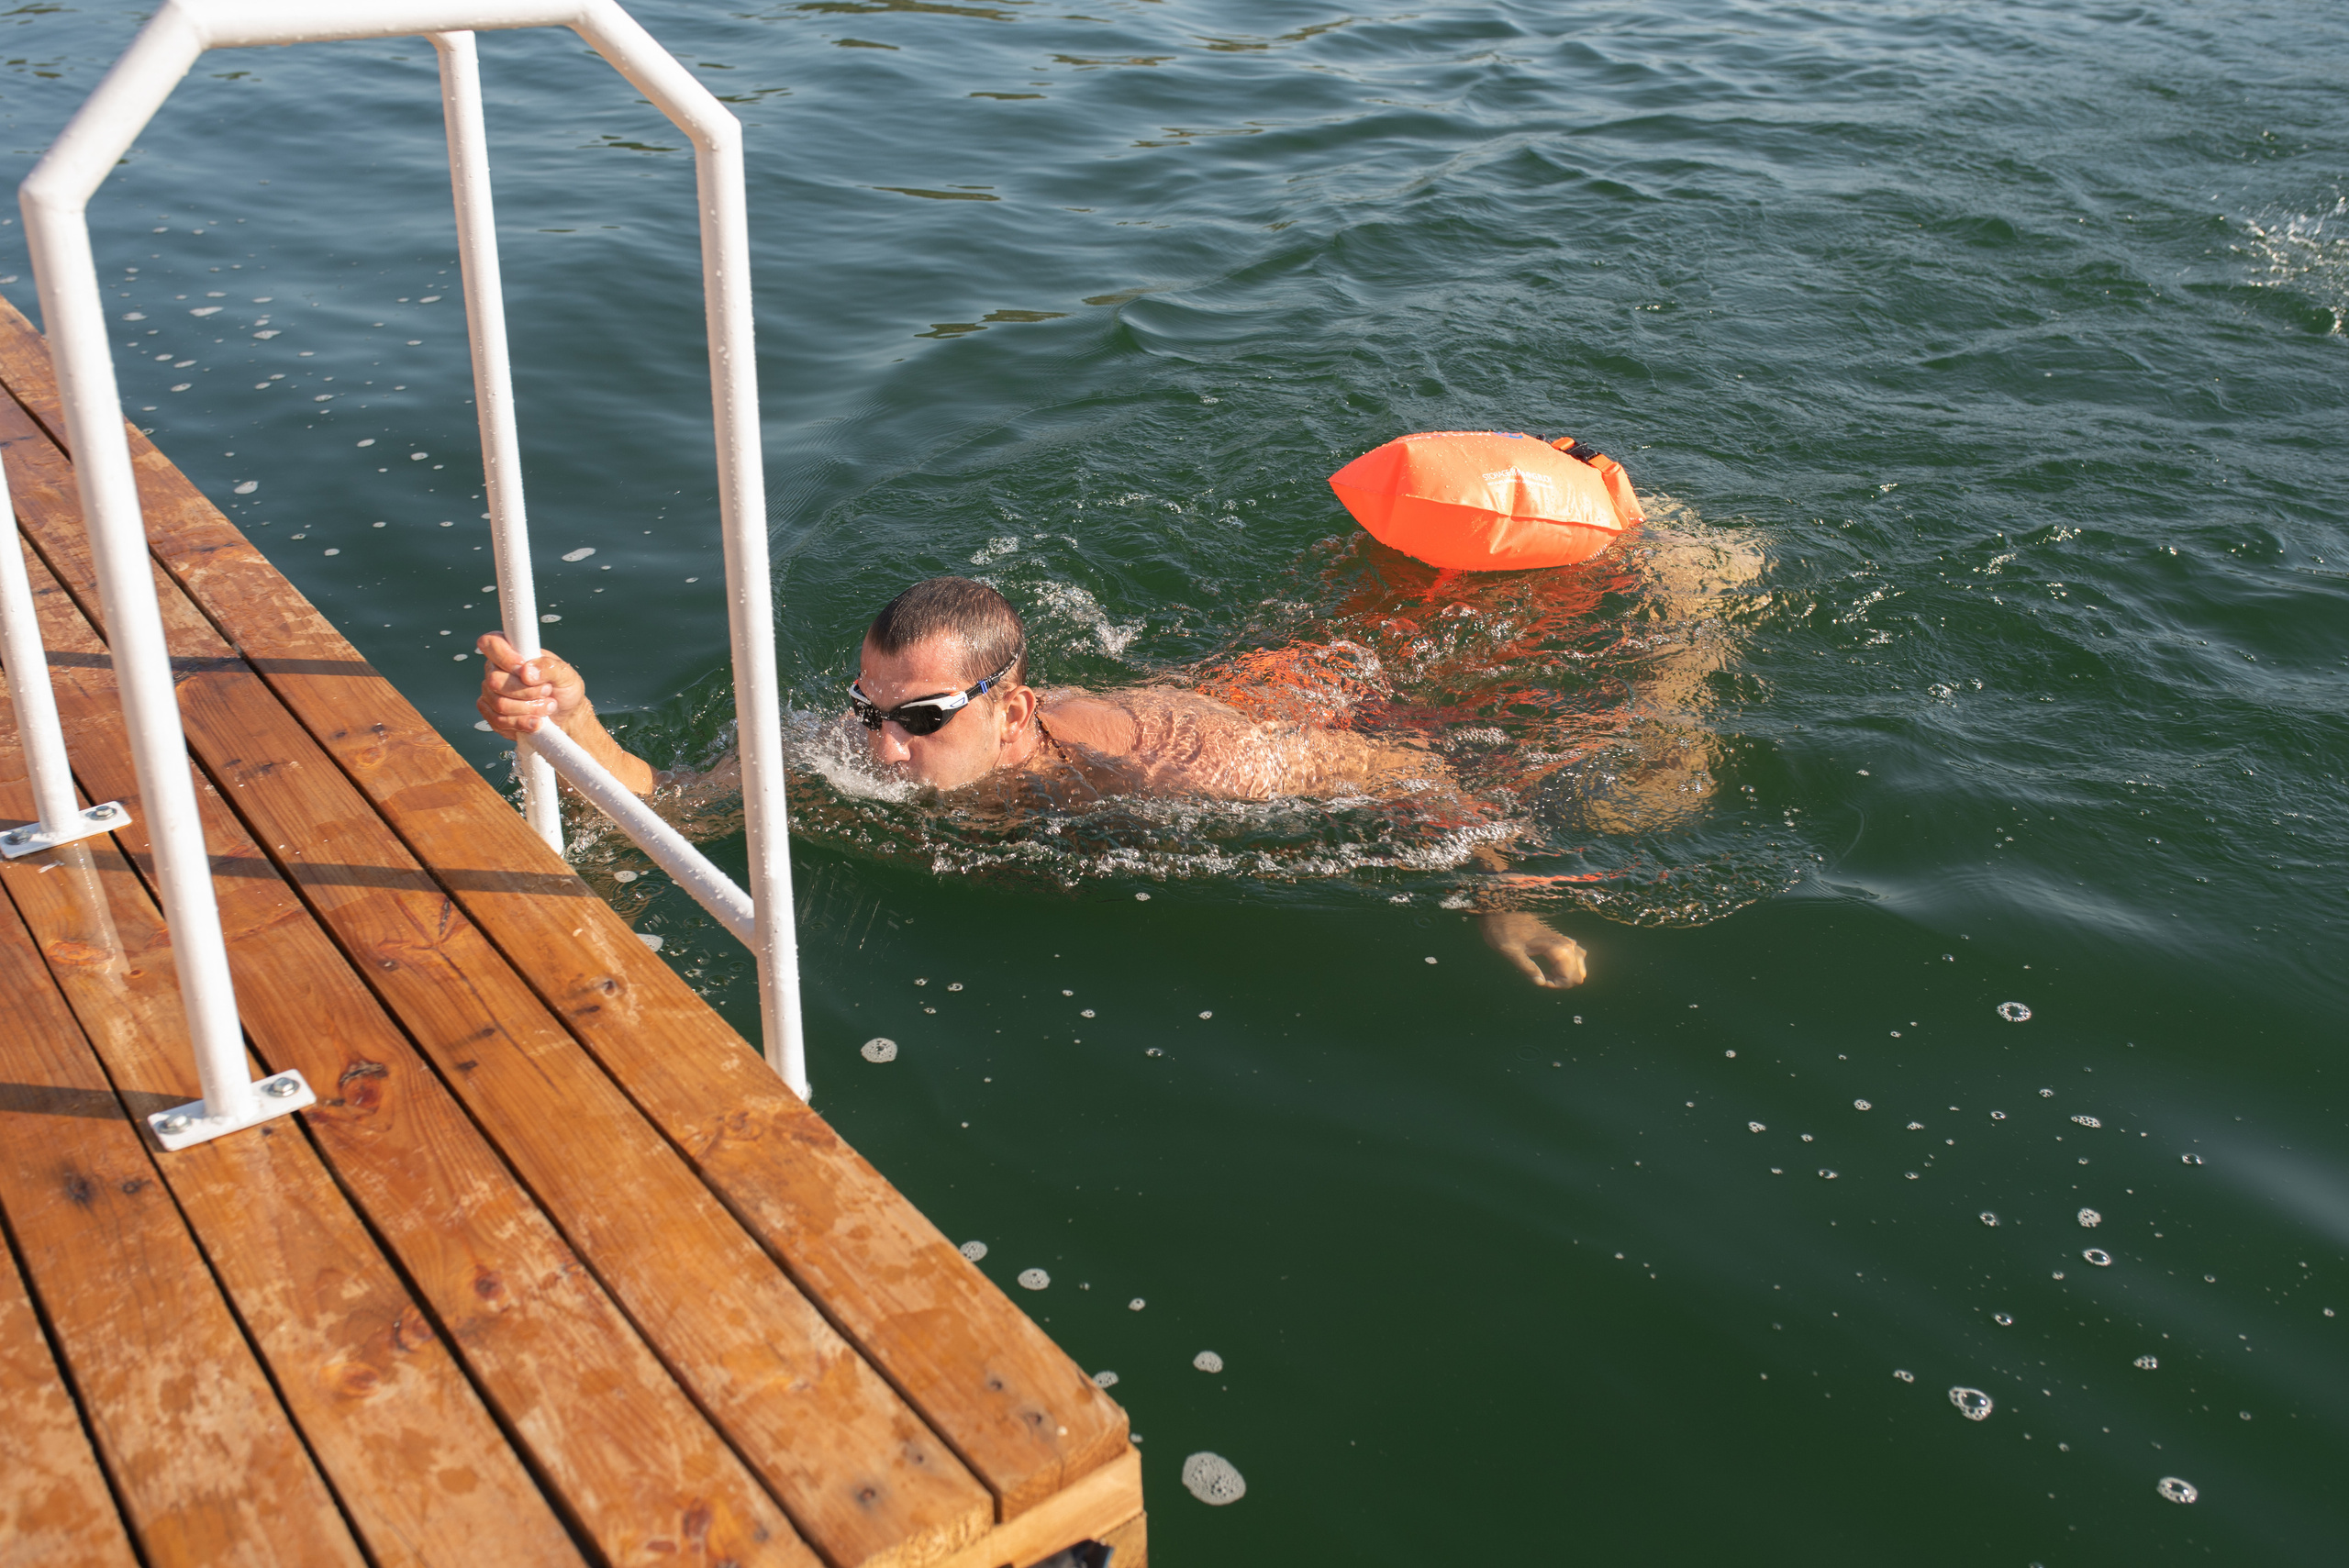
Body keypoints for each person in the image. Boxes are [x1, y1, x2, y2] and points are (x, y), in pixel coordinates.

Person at [475, 576, 1590, 988]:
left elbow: (1416, 770)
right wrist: (568, 720)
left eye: (917, 719)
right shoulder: (838, 740)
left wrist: (1506, 895)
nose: (878, 747)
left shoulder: (1173, 763)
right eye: (868, 709)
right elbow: (665, 802)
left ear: (1008, 712)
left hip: (1300, 705)